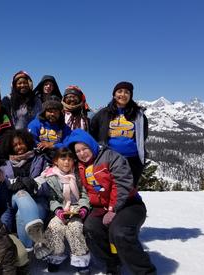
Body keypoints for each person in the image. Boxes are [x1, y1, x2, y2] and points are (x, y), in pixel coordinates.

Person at [65, 129, 156, 275]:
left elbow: (122, 184)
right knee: (91, 228)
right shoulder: (81, 166)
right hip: (101, 206)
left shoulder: (111, 157)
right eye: (78, 151)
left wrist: (112, 209)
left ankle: (145, 271)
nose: (82, 153)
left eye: (85, 148)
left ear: (91, 145)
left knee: (120, 232)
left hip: (128, 204)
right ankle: (113, 263)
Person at [33, 148, 91, 273]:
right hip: (61, 208)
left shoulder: (77, 175)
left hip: (76, 207)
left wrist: (83, 209)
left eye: (70, 159)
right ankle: (55, 257)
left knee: (75, 227)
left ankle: (81, 260)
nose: (67, 162)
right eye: (63, 159)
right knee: (54, 227)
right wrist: (58, 210)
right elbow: (52, 198)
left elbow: (84, 195)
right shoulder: (51, 177)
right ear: (56, 161)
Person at [90, 81, 148, 186]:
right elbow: (92, 131)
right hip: (109, 159)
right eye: (119, 91)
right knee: (110, 189)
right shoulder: (104, 113)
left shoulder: (138, 115)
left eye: (127, 92)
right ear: (114, 94)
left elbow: (143, 135)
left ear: (131, 96)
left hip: (132, 159)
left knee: (129, 191)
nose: (123, 94)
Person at [0, 129, 48, 251]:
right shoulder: (4, 166)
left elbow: (46, 182)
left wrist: (30, 184)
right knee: (21, 193)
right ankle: (39, 239)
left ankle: (27, 250)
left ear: (27, 142)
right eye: (15, 145)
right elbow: (7, 186)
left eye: (21, 143)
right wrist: (22, 184)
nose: (19, 147)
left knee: (21, 214)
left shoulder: (40, 159)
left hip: (37, 200)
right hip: (16, 200)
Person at [27, 96, 72, 162]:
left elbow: (67, 144)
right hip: (37, 157)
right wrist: (42, 146)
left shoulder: (64, 128)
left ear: (60, 113)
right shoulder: (35, 124)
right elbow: (30, 140)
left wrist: (53, 145)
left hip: (58, 158)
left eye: (56, 111)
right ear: (44, 112)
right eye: (50, 111)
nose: (53, 114)